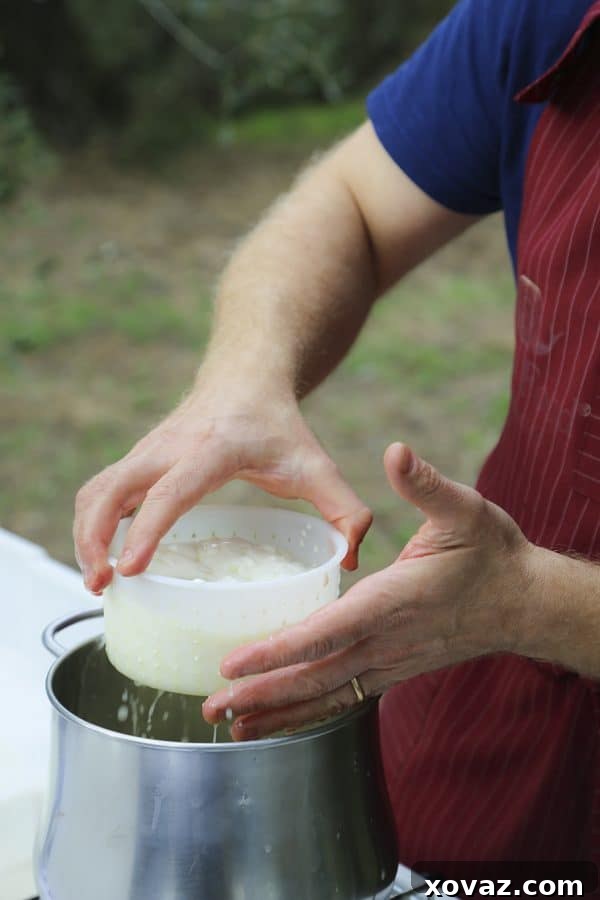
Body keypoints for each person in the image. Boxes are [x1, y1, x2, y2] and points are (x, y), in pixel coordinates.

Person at [74, 0, 600, 870]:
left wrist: (531, 602)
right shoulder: (551, 17)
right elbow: (352, 200)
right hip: (487, 709)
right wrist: (242, 381)